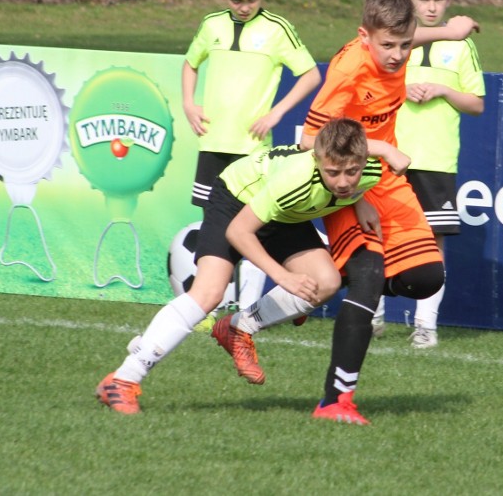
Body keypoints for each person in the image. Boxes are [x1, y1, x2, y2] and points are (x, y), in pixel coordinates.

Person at [215, 0, 452, 425]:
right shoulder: (348, 69)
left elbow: (406, 36)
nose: (398, 55)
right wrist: (377, 147)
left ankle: (289, 298)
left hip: (384, 179)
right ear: (365, 37)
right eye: (388, 46)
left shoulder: (395, 44)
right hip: (348, 179)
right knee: (369, 275)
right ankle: (334, 401)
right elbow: (311, 141)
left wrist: (449, 30)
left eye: (406, 44)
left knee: (426, 277)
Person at [95, 118, 385, 414]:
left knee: (326, 282)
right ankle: (122, 380)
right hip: (236, 200)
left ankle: (238, 327)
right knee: (208, 294)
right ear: (316, 160)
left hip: (282, 215)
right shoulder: (295, 179)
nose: (344, 182)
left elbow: (353, 181)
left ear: (364, 162)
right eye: (333, 172)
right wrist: (282, 276)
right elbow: (238, 231)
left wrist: (358, 200)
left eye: (352, 172)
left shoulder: (371, 172)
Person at [181, 0, 322, 309]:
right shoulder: (212, 24)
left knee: (253, 226)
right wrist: (188, 102)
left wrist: (277, 113)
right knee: (213, 225)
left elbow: (310, 75)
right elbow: (190, 63)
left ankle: (247, 307)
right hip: (214, 142)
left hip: (253, 148)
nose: (244, 7)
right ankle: (216, 302)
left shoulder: (278, 29)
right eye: (237, 0)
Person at [371, 0, 485, 348]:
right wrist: (402, 92)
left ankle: (425, 325)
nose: (432, 7)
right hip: (391, 152)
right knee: (378, 232)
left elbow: (476, 103)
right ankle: (373, 312)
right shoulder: (395, 41)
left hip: (436, 159)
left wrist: (443, 91)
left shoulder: (461, 45)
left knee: (432, 241)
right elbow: (372, 86)